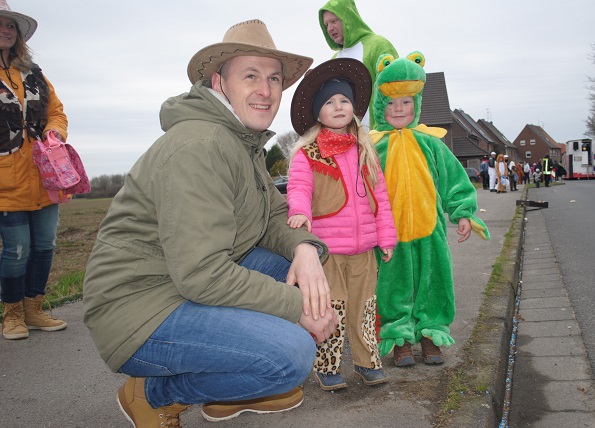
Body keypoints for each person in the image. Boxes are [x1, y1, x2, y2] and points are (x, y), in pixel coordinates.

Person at [82, 19, 339, 427]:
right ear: (220, 82)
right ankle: (153, 394)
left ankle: (229, 390)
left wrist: (305, 249)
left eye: (274, 78)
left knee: (302, 273)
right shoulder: (201, 145)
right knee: (290, 355)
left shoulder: (241, 140)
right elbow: (202, 273)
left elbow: (273, 214)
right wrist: (298, 308)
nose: (266, 90)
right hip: (139, 308)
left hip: (180, 281)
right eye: (250, 76)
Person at [369, 52, 489, 367]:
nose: (398, 109)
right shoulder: (374, 147)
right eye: (391, 103)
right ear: (380, 106)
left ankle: (431, 333)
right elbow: (363, 190)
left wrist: (462, 212)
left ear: (417, 104)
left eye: (406, 102)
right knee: (394, 286)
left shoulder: (431, 143)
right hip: (390, 234)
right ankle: (400, 337)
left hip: (430, 228)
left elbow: (453, 179)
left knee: (434, 280)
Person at [287, 58, 397, 391]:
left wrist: (386, 237)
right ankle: (327, 365)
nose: (338, 107)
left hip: (364, 250)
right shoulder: (308, 154)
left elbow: (381, 198)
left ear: (354, 109)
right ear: (318, 113)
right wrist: (300, 212)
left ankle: (367, 362)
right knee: (329, 307)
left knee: (365, 307)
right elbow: (299, 188)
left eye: (344, 100)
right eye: (329, 102)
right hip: (328, 251)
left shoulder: (366, 151)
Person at [0, 1, 68, 340]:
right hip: (6, 179)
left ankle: (34, 310)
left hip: (45, 176)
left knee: (44, 246)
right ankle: (11, 315)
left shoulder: (34, 73)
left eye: (10, 25)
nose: (5, 30)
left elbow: (56, 111)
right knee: (17, 251)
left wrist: (54, 132)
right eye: (0, 24)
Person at [319, 0, 398, 130]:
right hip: (349, 139)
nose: (329, 28)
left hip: (380, 135)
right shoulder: (333, 61)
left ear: (348, 18)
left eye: (334, 21)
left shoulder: (377, 45)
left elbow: (397, 88)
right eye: (326, 24)